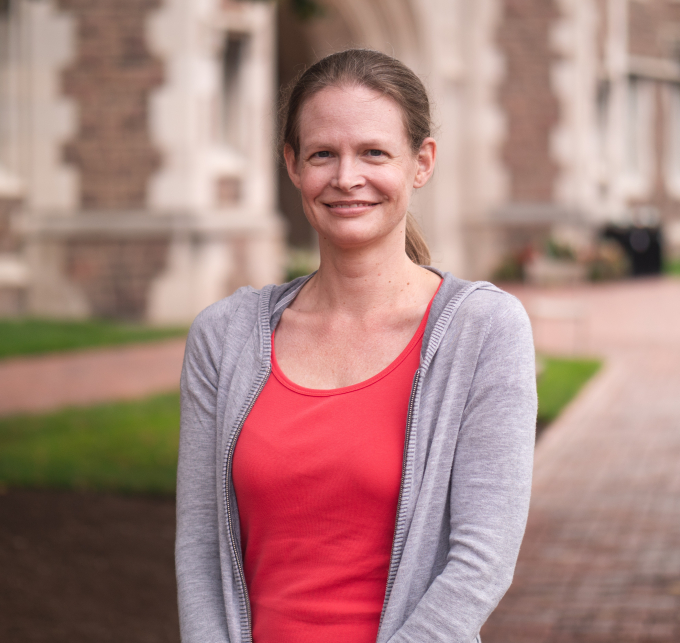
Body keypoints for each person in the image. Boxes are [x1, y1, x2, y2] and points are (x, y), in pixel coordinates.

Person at [176, 49, 537, 643]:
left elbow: (481, 563)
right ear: (292, 165)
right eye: (323, 154)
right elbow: (199, 546)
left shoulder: (484, 329)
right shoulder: (224, 337)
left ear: (421, 163)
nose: (347, 178)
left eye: (374, 152)